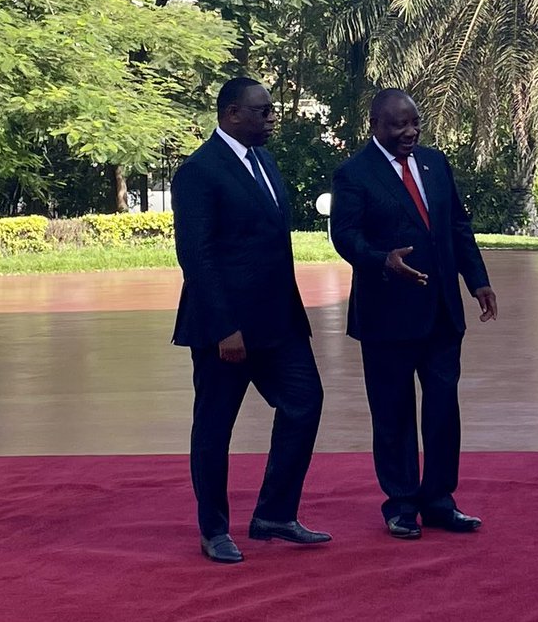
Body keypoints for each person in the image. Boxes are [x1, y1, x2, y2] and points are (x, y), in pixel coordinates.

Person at [172, 76, 330, 564]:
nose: (271, 117)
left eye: (271, 109)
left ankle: (274, 514)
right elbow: (195, 255)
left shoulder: (264, 159)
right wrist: (224, 327)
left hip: (278, 321)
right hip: (226, 328)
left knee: (305, 402)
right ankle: (213, 530)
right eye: (262, 111)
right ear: (231, 114)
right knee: (216, 426)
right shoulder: (199, 172)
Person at [329, 89, 497, 540]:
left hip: (442, 313)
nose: (409, 132)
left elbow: (457, 226)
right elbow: (344, 237)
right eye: (398, 125)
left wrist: (477, 280)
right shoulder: (353, 174)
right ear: (375, 126)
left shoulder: (435, 164)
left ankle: (440, 501)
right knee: (393, 413)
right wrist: (383, 259)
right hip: (387, 315)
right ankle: (401, 504)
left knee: (443, 408)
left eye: (414, 123)